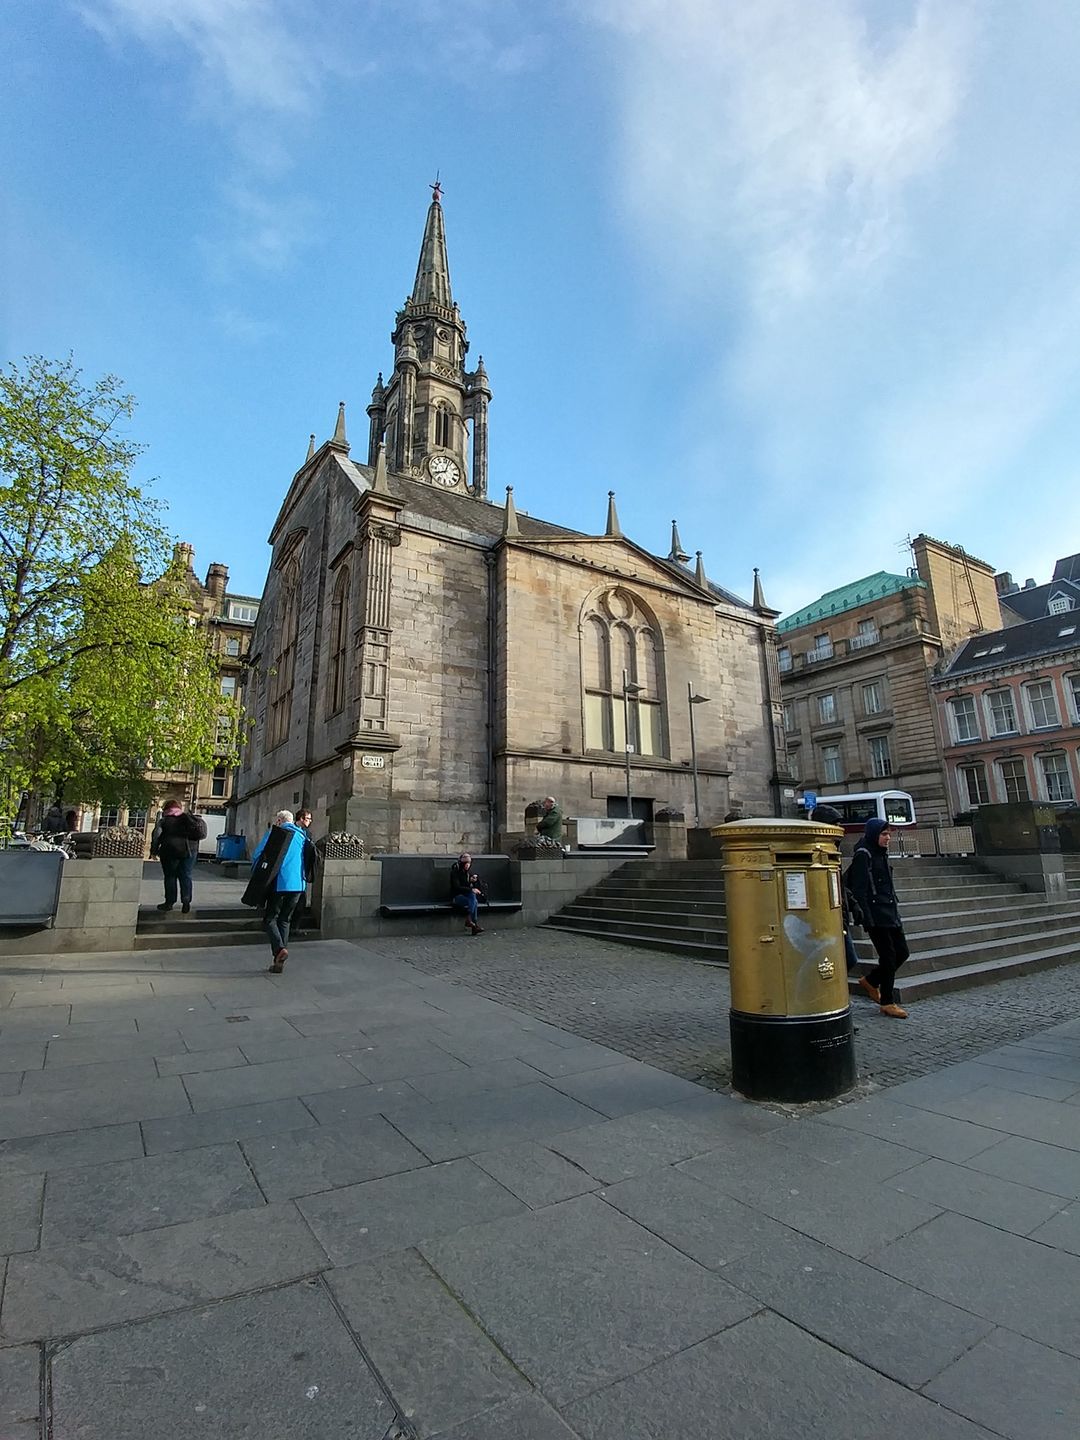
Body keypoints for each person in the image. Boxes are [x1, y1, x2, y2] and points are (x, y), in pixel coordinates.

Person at [847, 818, 910, 1019]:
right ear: (875, 835)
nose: (888, 838)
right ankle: (887, 1001)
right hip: (876, 913)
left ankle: (872, 981)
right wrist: (866, 917)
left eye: (889, 834)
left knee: (902, 952)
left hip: (890, 910)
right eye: (884, 835)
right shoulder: (863, 854)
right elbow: (859, 887)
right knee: (889, 957)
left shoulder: (881, 853)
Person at [248, 810, 317, 972]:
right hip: (299, 886)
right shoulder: (302, 835)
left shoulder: (277, 832)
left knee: (270, 919)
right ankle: (279, 963)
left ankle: (279, 949)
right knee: (285, 920)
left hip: (280, 883)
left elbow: (258, 854)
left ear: (279, 820)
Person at [810, 804, 862, 975]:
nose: (841, 828)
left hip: (840, 916)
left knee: (846, 960)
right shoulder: (816, 849)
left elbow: (840, 884)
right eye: (836, 824)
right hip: (828, 919)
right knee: (845, 959)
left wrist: (853, 904)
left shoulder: (834, 849)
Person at [149, 800, 207, 914]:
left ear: (166, 808)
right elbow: (201, 835)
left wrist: (154, 850)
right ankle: (186, 902)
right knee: (186, 875)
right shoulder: (188, 819)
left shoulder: (164, 821)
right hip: (190, 851)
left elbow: (156, 836)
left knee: (170, 876)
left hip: (170, 851)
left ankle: (169, 903)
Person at [450, 851, 485, 935]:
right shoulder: (455, 872)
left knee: (474, 900)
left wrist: (472, 881)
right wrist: (471, 889)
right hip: (457, 897)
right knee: (473, 898)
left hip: (467, 897)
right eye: (466, 862)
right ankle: (472, 922)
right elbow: (457, 887)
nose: (467, 865)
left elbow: (471, 887)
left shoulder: (468, 873)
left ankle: (472, 923)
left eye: (469, 863)